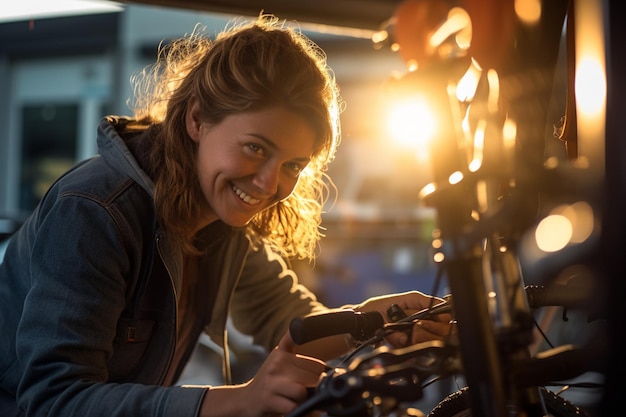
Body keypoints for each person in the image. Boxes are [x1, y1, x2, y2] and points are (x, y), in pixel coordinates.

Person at [0, 14, 454, 417]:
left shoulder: (218, 215)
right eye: (256, 148)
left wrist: (373, 321)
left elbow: (283, 318)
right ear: (196, 119)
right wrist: (237, 400)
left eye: (293, 166)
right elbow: (54, 400)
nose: (269, 184)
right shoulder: (95, 213)